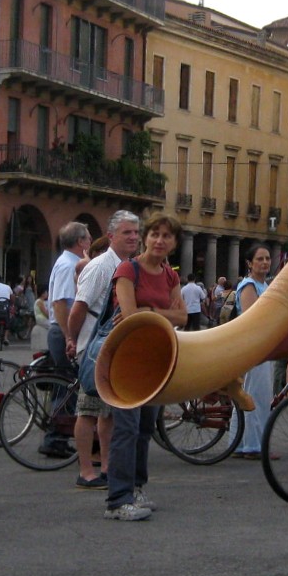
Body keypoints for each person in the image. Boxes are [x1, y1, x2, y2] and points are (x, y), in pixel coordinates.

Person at [103, 212, 185, 521]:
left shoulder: (170, 275)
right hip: (127, 359)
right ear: (145, 238)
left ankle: (136, 487)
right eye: (155, 234)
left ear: (174, 243)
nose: (160, 240)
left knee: (145, 429)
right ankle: (117, 499)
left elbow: (184, 316)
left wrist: (149, 309)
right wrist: (161, 312)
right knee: (126, 428)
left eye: (167, 236)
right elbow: (129, 316)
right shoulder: (128, 269)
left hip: (155, 360)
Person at [67, 212, 141, 491]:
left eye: (135, 232)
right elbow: (79, 307)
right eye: (127, 233)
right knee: (87, 410)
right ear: (111, 237)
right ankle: (86, 470)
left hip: (113, 348)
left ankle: (107, 466)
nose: (133, 237)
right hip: (93, 347)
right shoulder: (100, 266)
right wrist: (72, 340)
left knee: (107, 412)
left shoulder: (128, 265)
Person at [45, 222, 90, 466]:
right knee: (67, 387)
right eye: (89, 238)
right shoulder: (67, 266)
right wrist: (69, 336)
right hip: (62, 332)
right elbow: (61, 304)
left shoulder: (68, 263)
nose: (91, 242)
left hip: (63, 331)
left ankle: (57, 438)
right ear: (80, 241)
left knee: (65, 386)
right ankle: (55, 440)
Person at [232, 245, 276, 460]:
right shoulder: (249, 285)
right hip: (252, 345)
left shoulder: (264, 284)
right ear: (249, 263)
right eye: (260, 259)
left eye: (267, 258)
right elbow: (252, 317)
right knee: (256, 395)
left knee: (249, 394)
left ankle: (240, 443)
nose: (265, 262)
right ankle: (253, 445)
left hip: (260, 345)